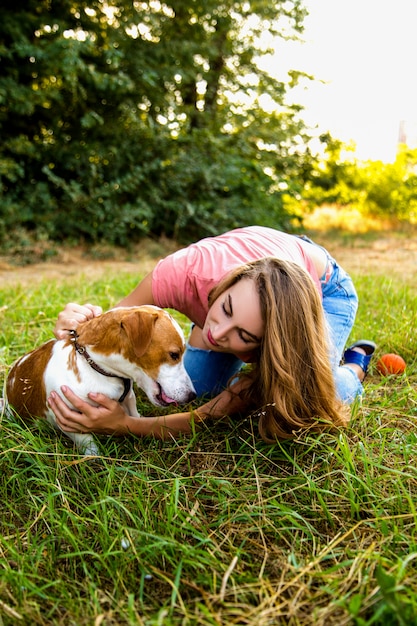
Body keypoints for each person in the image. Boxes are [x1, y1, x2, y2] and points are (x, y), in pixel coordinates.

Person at [48, 226, 375, 443]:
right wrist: (78, 321)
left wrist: (125, 425)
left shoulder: (283, 337)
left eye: (244, 336)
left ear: (266, 344)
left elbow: (208, 414)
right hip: (276, 262)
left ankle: (353, 364)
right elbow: (113, 321)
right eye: (225, 308)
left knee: (304, 399)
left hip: (327, 288)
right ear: (230, 281)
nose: (215, 332)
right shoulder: (184, 272)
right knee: (200, 384)